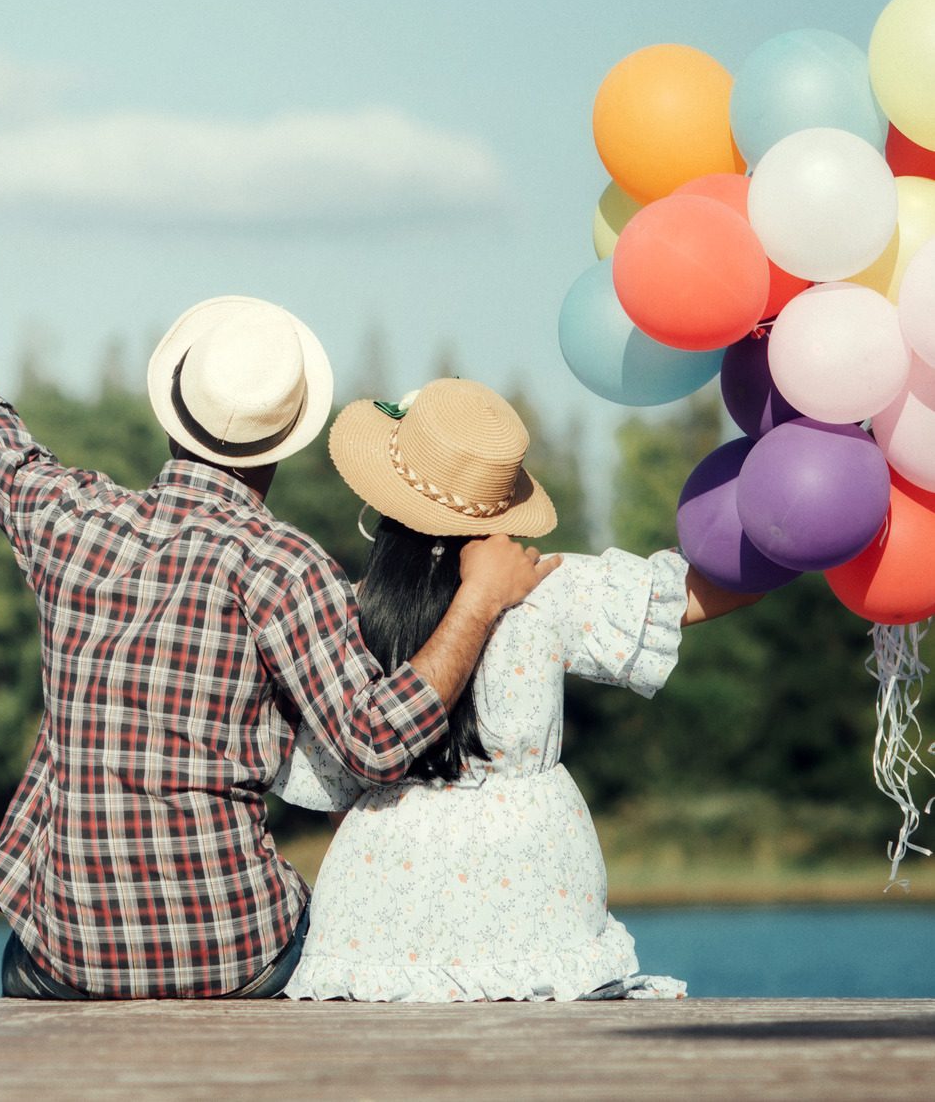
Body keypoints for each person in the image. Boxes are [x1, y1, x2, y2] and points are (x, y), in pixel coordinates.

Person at [0, 282, 559, 999]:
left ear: (175, 410)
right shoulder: (284, 566)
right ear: (283, 441)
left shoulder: (68, 516)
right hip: (236, 957)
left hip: (70, 958)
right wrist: (480, 599)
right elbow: (377, 741)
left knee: (23, 948)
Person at [273, 378, 761, 1003]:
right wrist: (799, 522)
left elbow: (333, 777)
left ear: (385, 505)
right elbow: (705, 592)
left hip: (377, 909)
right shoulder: (549, 588)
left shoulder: (350, 611)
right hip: (534, 889)